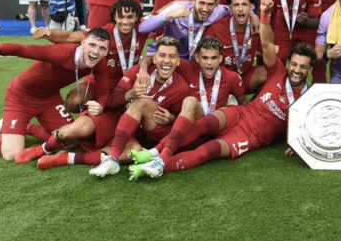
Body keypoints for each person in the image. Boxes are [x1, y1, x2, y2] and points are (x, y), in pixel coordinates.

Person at [126, 0, 316, 180]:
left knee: (207, 152)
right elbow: (266, 44)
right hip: (240, 113)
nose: (296, 70)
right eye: (294, 64)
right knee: (199, 126)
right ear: (288, 64)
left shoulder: (310, 100)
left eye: (303, 67)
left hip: (252, 135)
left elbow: (312, 128)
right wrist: (264, 16)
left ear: (310, 70)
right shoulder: (278, 72)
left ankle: (158, 166)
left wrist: (301, 143)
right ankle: (155, 153)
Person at [17, 37, 188, 168]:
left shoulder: (181, 88)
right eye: (162, 56)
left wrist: (171, 118)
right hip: (112, 117)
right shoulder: (138, 71)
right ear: (154, 59)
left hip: (134, 132)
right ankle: (42, 147)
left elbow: (180, 121)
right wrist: (130, 94)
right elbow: (112, 102)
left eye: (172, 57)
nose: (167, 61)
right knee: (77, 130)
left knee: (134, 152)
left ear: (178, 61)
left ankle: (67, 158)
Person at [88, 36, 244, 177]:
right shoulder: (187, 67)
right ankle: (113, 158)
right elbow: (151, 58)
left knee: (190, 101)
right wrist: (143, 69)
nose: (209, 62)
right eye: (205, 58)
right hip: (182, 132)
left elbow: (244, 104)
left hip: (207, 132)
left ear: (220, 58)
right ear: (197, 58)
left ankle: (161, 159)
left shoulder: (232, 78)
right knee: (140, 102)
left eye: (214, 58)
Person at [0, 28, 112, 162]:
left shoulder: (99, 62)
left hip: (50, 98)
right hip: (21, 96)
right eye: (92, 45)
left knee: (70, 140)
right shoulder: (63, 52)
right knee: (11, 155)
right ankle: (2, 128)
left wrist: (100, 106)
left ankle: (28, 127)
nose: (96, 52)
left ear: (106, 51)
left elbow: (104, 92)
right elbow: (23, 50)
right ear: (83, 43)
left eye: (102, 48)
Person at [34, 0, 148, 114]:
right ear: (115, 17)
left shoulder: (143, 29)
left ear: (136, 17)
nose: (125, 21)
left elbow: (159, 15)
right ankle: (95, 111)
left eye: (130, 17)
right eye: (121, 17)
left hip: (129, 82)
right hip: (100, 82)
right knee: (74, 102)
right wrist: (49, 33)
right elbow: (70, 37)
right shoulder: (104, 33)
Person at [139, 0, 231, 61]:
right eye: (202, 3)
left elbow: (236, 10)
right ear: (193, 1)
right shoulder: (178, 8)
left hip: (195, 61)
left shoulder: (220, 10)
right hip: (168, 57)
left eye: (210, 4)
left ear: (216, 4)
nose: (205, 9)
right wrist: (170, 16)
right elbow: (143, 28)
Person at [204, 0, 266, 94]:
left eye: (244, 4)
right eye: (236, 5)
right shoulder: (216, 29)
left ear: (251, 6)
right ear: (230, 8)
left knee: (266, 73)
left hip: (244, 77)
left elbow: (266, 53)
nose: (240, 9)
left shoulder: (256, 28)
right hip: (220, 79)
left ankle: (256, 102)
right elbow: (203, 58)